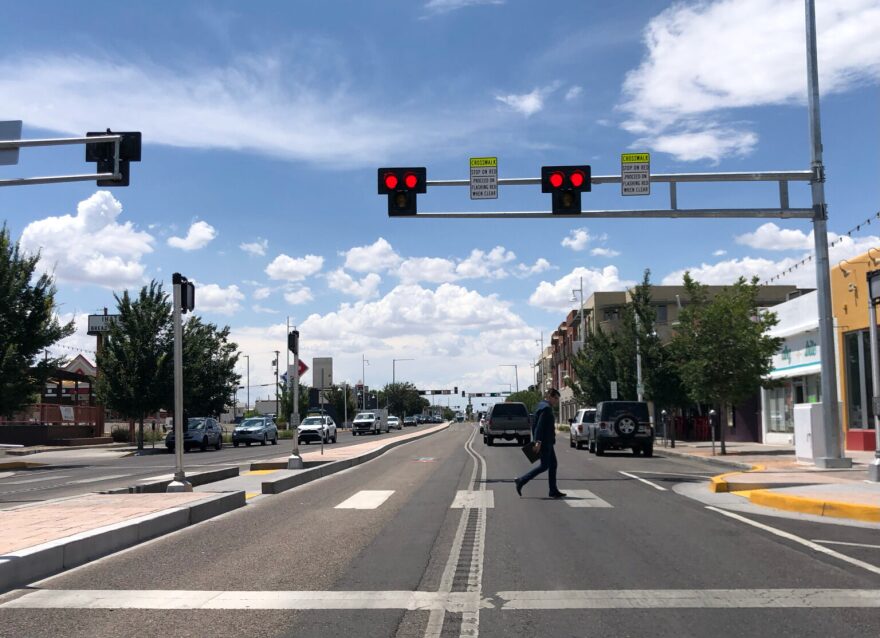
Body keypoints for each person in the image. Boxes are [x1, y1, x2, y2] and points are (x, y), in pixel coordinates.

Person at [515, 388, 566, 498]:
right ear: (550, 397)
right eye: (556, 398)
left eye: (558, 399)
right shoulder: (546, 409)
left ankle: (553, 490)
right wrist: (538, 442)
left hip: (547, 442)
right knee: (544, 466)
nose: (557, 401)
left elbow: (536, 425)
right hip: (545, 442)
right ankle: (521, 480)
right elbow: (539, 426)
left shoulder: (540, 405)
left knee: (553, 465)